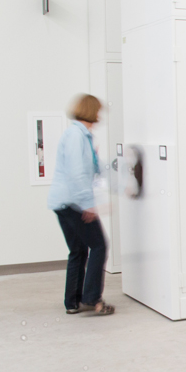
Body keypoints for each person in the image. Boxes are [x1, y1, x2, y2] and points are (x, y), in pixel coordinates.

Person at [47, 94, 115, 316]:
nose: (99, 115)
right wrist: (88, 205)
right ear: (90, 111)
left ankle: (72, 302)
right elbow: (77, 174)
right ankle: (91, 298)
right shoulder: (77, 136)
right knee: (99, 246)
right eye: (97, 110)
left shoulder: (79, 136)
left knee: (77, 250)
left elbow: (92, 169)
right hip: (73, 203)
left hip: (62, 202)